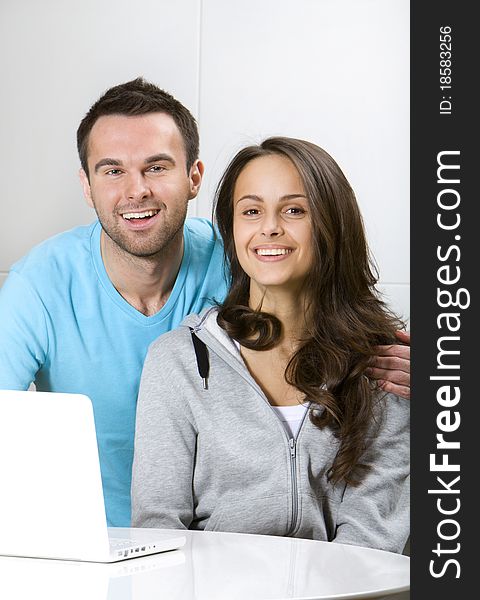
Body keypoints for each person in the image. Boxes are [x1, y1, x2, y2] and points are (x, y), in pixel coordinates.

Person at [0, 78, 409, 528]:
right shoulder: (36, 287)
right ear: (87, 183)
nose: (136, 190)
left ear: (194, 177)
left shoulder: (244, 256)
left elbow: (331, 298)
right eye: (113, 170)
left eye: (156, 167)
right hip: (91, 538)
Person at [131, 137, 409, 553]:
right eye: (251, 211)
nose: (270, 227)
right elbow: (158, 529)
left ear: (332, 224)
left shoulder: (385, 362)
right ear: (232, 228)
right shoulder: (179, 360)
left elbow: (372, 538)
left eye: (294, 210)